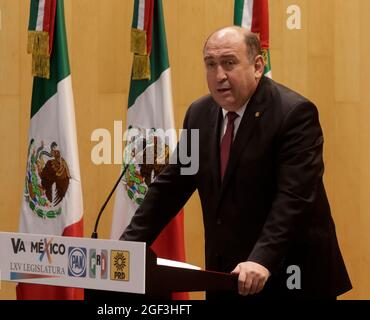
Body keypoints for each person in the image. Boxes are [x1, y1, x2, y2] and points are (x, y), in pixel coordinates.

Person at [119, 26, 352, 300]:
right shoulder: (200, 114)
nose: (219, 76)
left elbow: (294, 199)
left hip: (291, 276)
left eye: (229, 63)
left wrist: (262, 259)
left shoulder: (294, 114)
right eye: (211, 64)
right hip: (227, 276)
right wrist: (126, 247)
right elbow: (171, 188)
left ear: (257, 66)